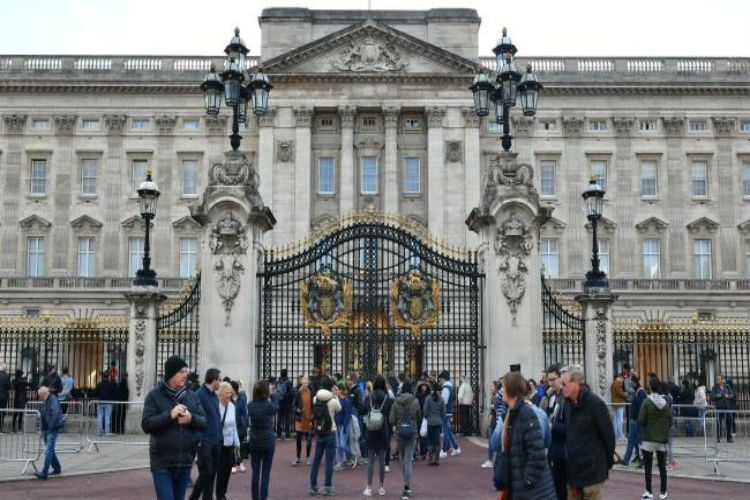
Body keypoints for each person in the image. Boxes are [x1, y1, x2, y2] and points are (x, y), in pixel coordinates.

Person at [142, 356, 206, 500]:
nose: (185, 375)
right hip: (162, 462)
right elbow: (146, 425)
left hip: (184, 461)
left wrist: (191, 419)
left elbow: (203, 422)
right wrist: (170, 415)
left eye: (186, 371)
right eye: (181, 372)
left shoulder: (191, 396)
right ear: (171, 373)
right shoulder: (154, 396)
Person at [494, 372, 556, 500]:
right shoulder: (511, 414)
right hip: (517, 484)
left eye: (503, 387)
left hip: (531, 491)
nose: (501, 390)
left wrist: (527, 481)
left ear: (509, 389)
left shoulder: (526, 414)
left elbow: (537, 453)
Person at [562, 364, 615, 500]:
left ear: (576, 383)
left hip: (593, 474)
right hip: (573, 474)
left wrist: (604, 465)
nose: (562, 387)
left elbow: (608, 438)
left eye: (565, 384)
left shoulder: (595, 404)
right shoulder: (567, 404)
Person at [190, 368, 222, 500]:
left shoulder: (214, 396)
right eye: (219, 380)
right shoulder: (199, 394)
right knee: (206, 472)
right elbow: (194, 417)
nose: (220, 383)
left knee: (212, 474)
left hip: (216, 441)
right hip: (204, 442)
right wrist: (200, 438)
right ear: (213, 380)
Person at [309, 376, 342, 496]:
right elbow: (339, 408)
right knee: (329, 460)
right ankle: (327, 485)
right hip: (330, 431)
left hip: (319, 431)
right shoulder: (332, 400)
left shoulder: (315, 398)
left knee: (316, 459)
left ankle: (313, 485)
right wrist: (336, 395)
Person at [639, 377, 671, 500]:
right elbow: (670, 420)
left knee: (648, 467)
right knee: (662, 467)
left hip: (648, 438)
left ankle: (649, 491)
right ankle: (663, 492)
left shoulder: (647, 402)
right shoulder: (666, 403)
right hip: (661, 439)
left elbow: (641, 420)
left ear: (650, 388)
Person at [247, 379, 279, 500]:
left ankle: (255, 498)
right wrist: (273, 394)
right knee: (266, 473)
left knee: (255, 473)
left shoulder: (250, 405)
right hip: (268, 441)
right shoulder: (268, 406)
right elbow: (276, 407)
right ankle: (263, 497)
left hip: (255, 441)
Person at [389, 380, 420, 500]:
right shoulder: (415, 401)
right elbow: (419, 416)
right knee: (408, 460)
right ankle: (407, 486)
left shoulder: (396, 402)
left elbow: (391, 419)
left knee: (402, 458)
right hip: (412, 432)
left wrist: (398, 421)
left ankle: (406, 484)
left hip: (400, 433)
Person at [363, 374, 391, 496]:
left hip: (371, 430)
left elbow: (362, 410)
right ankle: (381, 487)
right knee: (382, 461)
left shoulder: (370, 396)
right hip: (383, 430)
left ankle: (369, 487)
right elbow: (390, 414)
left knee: (370, 461)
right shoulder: (387, 397)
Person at [214, 382, 240, 500]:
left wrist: (237, 443)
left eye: (230, 392)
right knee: (221, 470)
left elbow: (234, 426)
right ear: (221, 393)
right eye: (226, 392)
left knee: (228, 469)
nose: (229, 395)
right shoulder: (217, 405)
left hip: (229, 442)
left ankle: (223, 492)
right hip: (220, 443)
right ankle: (220, 495)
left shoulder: (232, 406)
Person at [548, 367, 569, 500]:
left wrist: (553, 426)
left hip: (564, 452)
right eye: (548, 380)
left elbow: (570, 427)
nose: (550, 383)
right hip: (554, 450)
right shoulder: (552, 396)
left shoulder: (566, 398)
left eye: (553, 379)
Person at [34, 386, 64, 479]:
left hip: (52, 428)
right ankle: (57, 467)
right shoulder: (48, 400)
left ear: (44, 394)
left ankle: (44, 472)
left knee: (48, 450)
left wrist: (50, 427)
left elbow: (54, 413)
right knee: (50, 449)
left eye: (40, 395)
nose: (39, 397)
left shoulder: (52, 400)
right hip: (49, 428)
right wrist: (43, 430)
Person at [622, 373, 646, 467]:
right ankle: (626, 460)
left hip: (637, 421)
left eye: (630, 380)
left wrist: (641, 421)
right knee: (631, 441)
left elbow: (642, 407)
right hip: (632, 421)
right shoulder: (635, 391)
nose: (629, 382)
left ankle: (644, 458)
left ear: (633, 381)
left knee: (641, 441)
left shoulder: (641, 392)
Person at [422, 381, 445, 466]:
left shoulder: (428, 398)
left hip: (430, 422)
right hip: (438, 421)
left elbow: (425, 410)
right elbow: (443, 412)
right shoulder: (441, 399)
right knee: (437, 440)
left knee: (430, 440)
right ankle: (436, 459)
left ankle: (430, 458)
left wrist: (427, 416)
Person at [438, 371, 460, 458]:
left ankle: (444, 450)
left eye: (440, 379)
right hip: (449, 411)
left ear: (443, 378)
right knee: (448, 430)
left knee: (446, 431)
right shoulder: (450, 386)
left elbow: (444, 401)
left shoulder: (446, 388)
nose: (440, 381)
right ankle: (455, 447)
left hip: (445, 412)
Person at [293, 375, 314, 465]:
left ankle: (308, 458)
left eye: (306, 383)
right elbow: (293, 405)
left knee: (308, 439)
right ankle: (298, 457)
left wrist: (313, 415)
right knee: (298, 439)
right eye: (304, 382)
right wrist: (298, 410)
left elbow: (314, 404)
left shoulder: (311, 392)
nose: (305, 384)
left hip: (309, 418)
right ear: (301, 382)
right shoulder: (298, 393)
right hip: (300, 419)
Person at [334, 380, 354, 469]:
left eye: (337, 389)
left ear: (341, 390)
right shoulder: (336, 400)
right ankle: (340, 462)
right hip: (337, 425)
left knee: (342, 444)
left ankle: (351, 456)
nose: (336, 391)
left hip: (344, 425)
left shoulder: (346, 401)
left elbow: (347, 415)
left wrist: (345, 426)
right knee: (338, 445)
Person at [525, 380, 549, 450]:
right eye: (530, 384)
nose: (531, 385)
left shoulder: (538, 394)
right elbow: (547, 441)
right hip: (538, 452)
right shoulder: (542, 414)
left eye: (532, 384)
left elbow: (495, 442)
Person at [710, 374, 735, 443]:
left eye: (719, 379)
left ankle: (729, 437)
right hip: (719, 407)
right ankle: (718, 437)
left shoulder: (727, 386)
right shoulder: (715, 387)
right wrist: (718, 396)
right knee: (718, 423)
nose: (717, 380)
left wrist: (728, 396)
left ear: (722, 380)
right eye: (717, 379)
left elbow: (732, 395)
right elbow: (711, 397)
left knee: (729, 422)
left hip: (727, 407)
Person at [94, 370, 117, 437]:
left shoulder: (99, 384)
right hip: (108, 402)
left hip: (100, 402)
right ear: (108, 377)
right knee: (107, 417)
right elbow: (114, 393)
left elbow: (95, 393)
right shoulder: (110, 385)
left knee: (100, 417)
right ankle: (107, 433)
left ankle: (99, 432)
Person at [276, 368, 293, 440]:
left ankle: (279, 434)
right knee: (287, 419)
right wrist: (290, 402)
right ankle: (287, 434)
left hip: (279, 402)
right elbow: (292, 393)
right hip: (286, 402)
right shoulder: (288, 382)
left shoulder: (278, 382)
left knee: (279, 418)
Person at [610, 373, 628, 440]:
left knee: (615, 419)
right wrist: (625, 394)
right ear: (619, 378)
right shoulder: (617, 383)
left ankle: (616, 434)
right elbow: (620, 393)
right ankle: (619, 434)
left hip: (614, 403)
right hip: (618, 403)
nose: (622, 380)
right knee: (619, 419)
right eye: (622, 378)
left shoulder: (613, 384)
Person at [0, 363, 10, 432]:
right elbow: (9, 387)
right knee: (2, 412)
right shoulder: (6, 376)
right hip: (3, 397)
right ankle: (1, 427)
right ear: (5, 369)